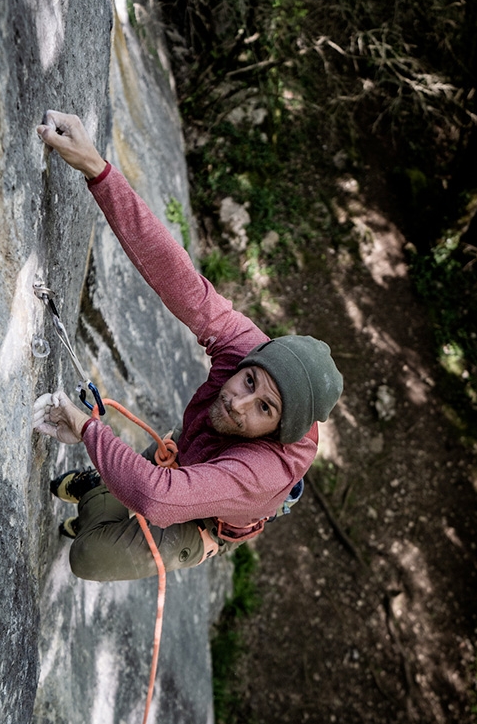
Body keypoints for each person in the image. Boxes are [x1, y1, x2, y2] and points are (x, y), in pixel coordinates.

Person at [32, 112, 343, 582]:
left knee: (91, 554)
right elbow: (174, 274)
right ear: (252, 359)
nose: (239, 401)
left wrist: (90, 432)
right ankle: (108, 491)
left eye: (264, 408)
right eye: (250, 380)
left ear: (278, 430)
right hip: (196, 453)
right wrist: (97, 168)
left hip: (204, 520)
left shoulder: (260, 471)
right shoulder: (246, 349)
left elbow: (158, 498)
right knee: (148, 484)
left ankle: (98, 496)